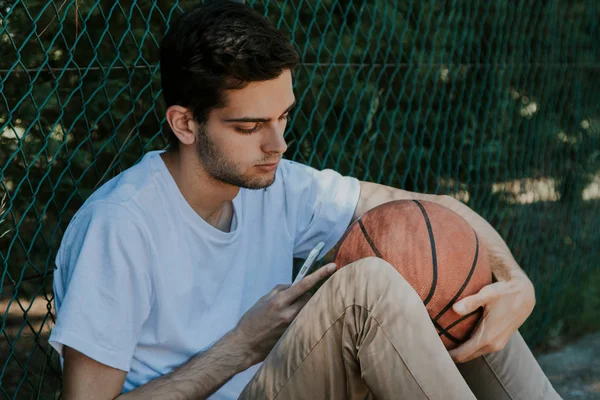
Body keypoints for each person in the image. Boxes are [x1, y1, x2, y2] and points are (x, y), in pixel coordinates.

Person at [49, 1, 560, 399]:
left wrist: (515, 280)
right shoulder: (120, 226)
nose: (278, 144)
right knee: (368, 288)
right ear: (184, 123)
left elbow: (440, 208)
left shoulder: (279, 183)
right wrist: (240, 347)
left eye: (283, 117)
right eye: (249, 126)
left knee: (435, 267)